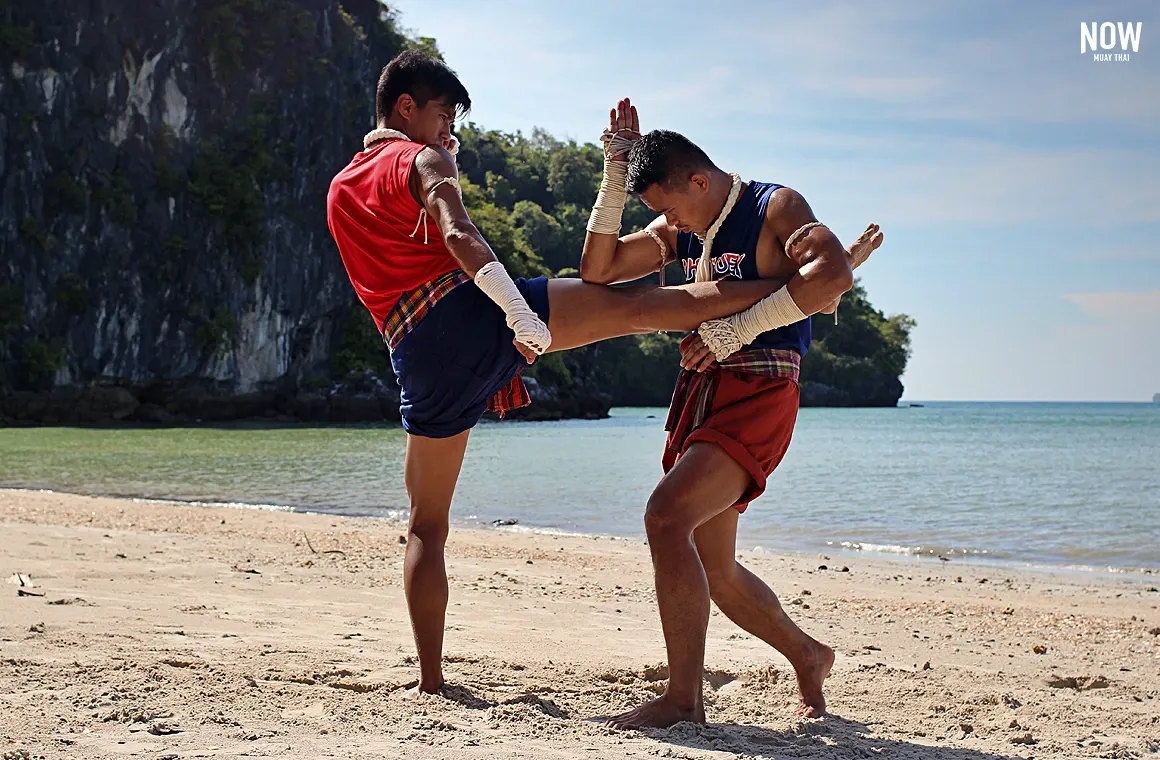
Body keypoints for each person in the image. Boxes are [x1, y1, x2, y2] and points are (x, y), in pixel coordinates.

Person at [325, 52, 832, 695]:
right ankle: (691, 696)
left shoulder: (341, 186)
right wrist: (516, 309)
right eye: (443, 112)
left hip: (416, 356)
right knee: (638, 308)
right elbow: (462, 233)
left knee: (426, 525)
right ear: (406, 108)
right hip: (477, 315)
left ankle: (431, 680)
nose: (449, 127)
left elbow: (397, 256)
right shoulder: (424, 160)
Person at [580, 99, 882, 728]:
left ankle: (684, 699)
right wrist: (613, 173)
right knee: (714, 568)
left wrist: (737, 327)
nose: (667, 220)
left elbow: (830, 279)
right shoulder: (682, 230)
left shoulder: (776, 206)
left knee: (665, 519)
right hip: (701, 393)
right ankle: (808, 655)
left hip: (762, 391)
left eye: (667, 204)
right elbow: (599, 269)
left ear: (697, 180)